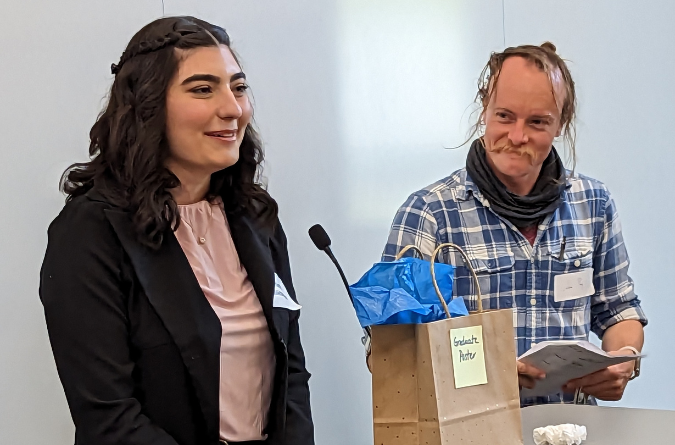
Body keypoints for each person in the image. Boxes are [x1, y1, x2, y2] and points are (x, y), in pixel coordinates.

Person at [40, 16, 313, 445]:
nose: (232, 108)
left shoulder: (255, 218)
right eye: (203, 89)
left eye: (238, 88)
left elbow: (291, 373)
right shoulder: (91, 232)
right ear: (147, 106)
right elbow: (108, 417)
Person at [381, 42, 646, 406]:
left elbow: (618, 310)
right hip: (471, 429)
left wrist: (624, 361)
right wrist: (488, 371)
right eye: (505, 116)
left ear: (561, 124)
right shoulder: (430, 213)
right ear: (484, 112)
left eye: (537, 122)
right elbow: (393, 350)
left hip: (574, 428)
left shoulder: (593, 204)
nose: (517, 136)